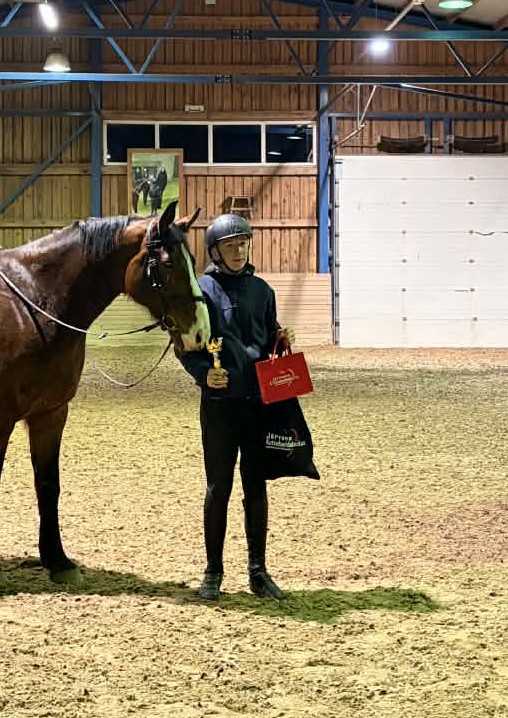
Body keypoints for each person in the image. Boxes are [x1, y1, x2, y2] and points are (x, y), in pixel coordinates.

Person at [176, 213, 295, 601]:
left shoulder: (263, 291)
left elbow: (268, 336)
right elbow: (185, 344)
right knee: (218, 488)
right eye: (230, 246)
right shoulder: (202, 291)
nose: (239, 251)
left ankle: (258, 572)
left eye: (243, 244)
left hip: (258, 404)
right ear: (215, 251)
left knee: (255, 488)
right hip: (220, 407)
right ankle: (213, 572)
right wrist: (202, 373)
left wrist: (281, 340)